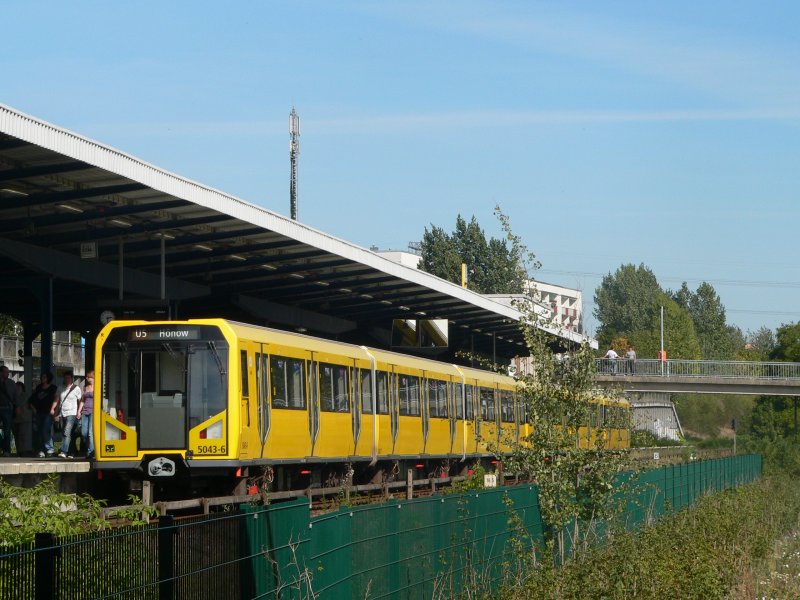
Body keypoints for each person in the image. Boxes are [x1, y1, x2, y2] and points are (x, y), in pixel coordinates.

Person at [29, 372, 58, 457]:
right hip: (38, 412)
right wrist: (34, 409)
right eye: (42, 377)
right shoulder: (38, 388)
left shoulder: (53, 388)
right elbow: (31, 399)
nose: (42, 378)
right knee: (40, 431)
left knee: (46, 430)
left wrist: (53, 409)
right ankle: (42, 450)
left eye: (44, 377)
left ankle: (50, 449)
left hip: (48, 413)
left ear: (48, 378)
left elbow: (56, 398)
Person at [57, 372, 82, 459]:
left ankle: (63, 451)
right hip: (63, 413)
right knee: (67, 434)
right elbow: (57, 400)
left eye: (68, 378)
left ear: (72, 379)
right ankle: (71, 452)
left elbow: (80, 401)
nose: (67, 379)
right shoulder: (60, 388)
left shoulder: (76, 388)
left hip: (72, 413)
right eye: (65, 378)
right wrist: (55, 410)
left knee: (66, 432)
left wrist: (79, 412)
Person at [77, 371, 95, 459]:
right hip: (85, 412)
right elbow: (82, 400)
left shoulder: (97, 387)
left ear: (94, 378)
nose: (88, 379)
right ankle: (91, 448)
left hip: (93, 412)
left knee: (90, 433)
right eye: (87, 377)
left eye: (90, 377)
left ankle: (91, 452)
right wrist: (79, 411)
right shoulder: (85, 387)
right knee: (84, 433)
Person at [0, 366, 17, 456]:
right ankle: (3, 446)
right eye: (6, 372)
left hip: (7, 408)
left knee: (7, 431)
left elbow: (15, 396)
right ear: (1, 373)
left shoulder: (11, 383)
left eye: (8, 372)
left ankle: (7, 450)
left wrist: (15, 406)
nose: (8, 374)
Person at [13, 381, 32, 456]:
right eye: (16, 387)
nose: (17, 389)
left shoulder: (25, 395)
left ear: (22, 388)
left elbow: (21, 406)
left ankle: (24, 450)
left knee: (23, 435)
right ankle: (19, 450)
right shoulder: (13, 396)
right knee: (16, 435)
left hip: (24, 419)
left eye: (19, 387)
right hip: (15, 419)